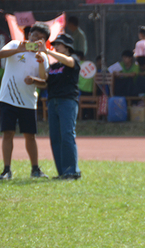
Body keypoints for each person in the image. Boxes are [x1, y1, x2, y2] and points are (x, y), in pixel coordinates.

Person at [0, 22, 50, 180]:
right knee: (8, 133)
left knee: (30, 136)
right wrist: (20, 49)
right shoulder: (15, 44)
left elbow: (43, 81)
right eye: (34, 36)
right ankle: (6, 170)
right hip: (7, 98)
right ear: (29, 35)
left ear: (45, 41)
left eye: (41, 38)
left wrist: (38, 67)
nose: (36, 40)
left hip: (28, 101)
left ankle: (35, 170)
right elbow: (0, 54)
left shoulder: (43, 57)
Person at [42, 33, 82, 179]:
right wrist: (41, 60)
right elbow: (44, 79)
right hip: (53, 102)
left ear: (67, 47)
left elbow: (70, 62)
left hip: (67, 101)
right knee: (55, 138)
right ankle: (62, 172)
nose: (55, 46)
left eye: (58, 44)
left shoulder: (73, 60)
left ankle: (72, 171)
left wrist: (47, 51)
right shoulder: (54, 66)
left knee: (67, 135)